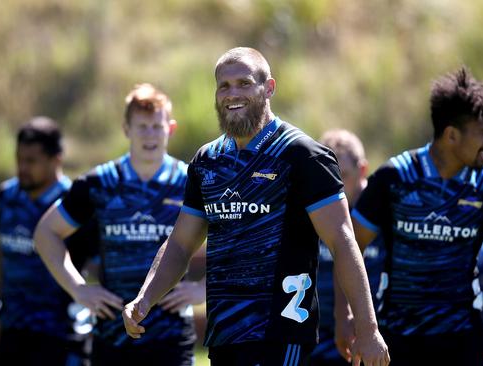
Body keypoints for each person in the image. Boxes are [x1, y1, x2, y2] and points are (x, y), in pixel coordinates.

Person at [122, 47, 390, 366]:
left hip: (282, 334)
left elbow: (343, 242)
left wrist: (367, 327)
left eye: (244, 83)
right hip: (224, 337)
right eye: (224, 85)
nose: (232, 93)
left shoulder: (302, 155)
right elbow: (180, 244)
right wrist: (145, 297)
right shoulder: (207, 161)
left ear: (269, 88)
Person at [345, 67, 483, 366]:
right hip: (395, 339)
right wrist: (349, 319)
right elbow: (350, 249)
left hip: (463, 340)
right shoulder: (394, 177)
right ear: (452, 135)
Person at [34, 83, 204, 366]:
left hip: (170, 336)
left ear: (170, 129)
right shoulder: (101, 183)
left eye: (156, 126)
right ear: (126, 129)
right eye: (141, 127)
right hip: (111, 335)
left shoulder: (192, 182)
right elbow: (45, 233)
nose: (150, 135)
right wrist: (78, 289)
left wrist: (203, 289)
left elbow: (237, 237)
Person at [0, 117, 94, 365]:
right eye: (19, 159)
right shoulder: (6, 196)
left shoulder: (75, 205)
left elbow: (97, 267)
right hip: (13, 327)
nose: (22, 168)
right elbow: (1, 253)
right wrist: (0, 299)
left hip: (58, 334)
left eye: (31, 161)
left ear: (56, 159)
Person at [311, 129, 386, 365]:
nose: (336, 185)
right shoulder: (312, 211)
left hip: (369, 334)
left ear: (362, 170)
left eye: (343, 175)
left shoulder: (384, 216)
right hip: (316, 333)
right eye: (327, 176)